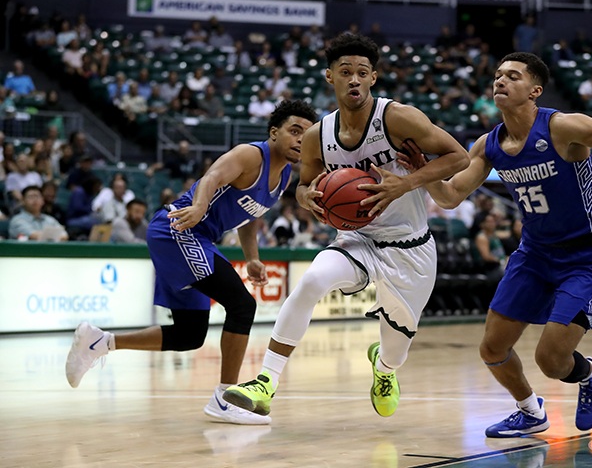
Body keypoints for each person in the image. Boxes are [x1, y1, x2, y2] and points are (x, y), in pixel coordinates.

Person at [396, 52, 592, 437]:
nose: (500, 81)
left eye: (513, 76)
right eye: (498, 75)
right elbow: (451, 196)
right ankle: (530, 411)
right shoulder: (490, 145)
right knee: (491, 349)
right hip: (534, 254)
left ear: (534, 90)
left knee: (551, 360)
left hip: (584, 255)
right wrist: (422, 170)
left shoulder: (562, 127)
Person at [223, 33, 469, 419]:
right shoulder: (315, 136)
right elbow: (305, 186)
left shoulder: (398, 117)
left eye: (361, 72)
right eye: (345, 72)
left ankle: (383, 369)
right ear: (329, 77)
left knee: (395, 352)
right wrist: (307, 198)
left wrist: (405, 182)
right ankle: (266, 382)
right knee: (311, 281)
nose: (353, 79)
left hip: (410, 245)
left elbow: (459, 157)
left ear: (373, 77)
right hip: (356, 238)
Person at [64, 100, 319, 425]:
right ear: (274, 132)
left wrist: (252, 257)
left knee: (190, 334)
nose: (301, 139)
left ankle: (99, 342)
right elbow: (212, 176)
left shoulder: (283, 177)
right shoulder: (251, 155)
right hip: (178, 230)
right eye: (294, 131)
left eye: (306, 134)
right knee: (242, 305)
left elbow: (251, 216)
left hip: (196, 239)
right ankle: (225, 398)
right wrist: (199, 206)